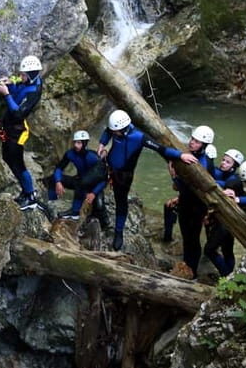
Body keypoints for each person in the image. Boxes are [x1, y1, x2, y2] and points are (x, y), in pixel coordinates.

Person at [97, 110, 198, 251]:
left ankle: (118, 232)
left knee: (121, 202)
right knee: (93, 183)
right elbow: (108, 131)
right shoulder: (115, 130)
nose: (114, 133)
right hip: (108, 165)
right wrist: (102, 144)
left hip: (124, 176)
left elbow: (161, 150)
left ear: (124, 129)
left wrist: (180, 155)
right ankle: (98, 210)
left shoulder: (139, 137)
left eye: (116, 131)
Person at [0, 56, 43, 210]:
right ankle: (26, 191)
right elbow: (18, 94)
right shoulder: (28, 83)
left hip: (18, 130)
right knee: (8, 158)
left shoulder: (34, 91)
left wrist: (6, 94)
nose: (21, 77)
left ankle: (30, 195)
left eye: (23, 75)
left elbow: (18, 113)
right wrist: (11, 85)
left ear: (31, 75)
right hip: (10, 127)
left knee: (18, 164)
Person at [174, 125, 216, 278]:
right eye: (192, 139)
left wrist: (174, 176)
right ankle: (187, 264)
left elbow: (188, 185)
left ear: (204, 145)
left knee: (192, 237)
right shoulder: (194, 156)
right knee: (187, 236)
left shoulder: (203, 164)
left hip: (196, 206)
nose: (192, 142)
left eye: (197, 142)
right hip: (187, 202)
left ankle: (192, 269)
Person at [49, 130, 109, 226]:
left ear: (85, 144)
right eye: (75, 142)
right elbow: (59, 168)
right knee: (53, 178)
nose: (76, 145)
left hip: (93, 185)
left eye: (79, 143)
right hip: (80, 181)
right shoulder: (70, 154)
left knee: (99, 205)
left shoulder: (93, 158)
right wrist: (58, 182)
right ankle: (52, 204)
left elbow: (104, 180)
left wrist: (93, 193)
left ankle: (105, 225)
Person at [203, 148, 244, 276]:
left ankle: (226, 275)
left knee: (209, 250)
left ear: (233, 167)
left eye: (228, 162)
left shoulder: (233, 181)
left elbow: (219, 185)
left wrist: (207, 215)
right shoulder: (221, 173)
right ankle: (229, 274)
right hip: (229, 221)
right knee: (227, 250)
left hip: (225, 221)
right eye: (223, 160)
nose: (223, 163)